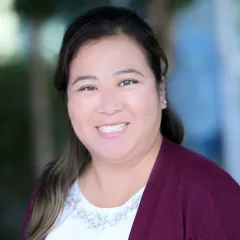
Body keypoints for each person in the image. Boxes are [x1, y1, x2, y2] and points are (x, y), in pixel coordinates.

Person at [19, 6, 240, 240]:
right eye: (88, 87)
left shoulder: (212, 194)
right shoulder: (51, 193)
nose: (109, 105)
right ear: (69, 101)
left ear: (160, 87)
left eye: (127, 82)